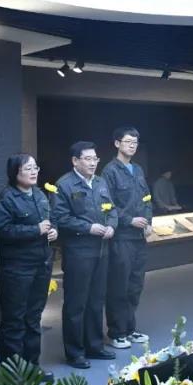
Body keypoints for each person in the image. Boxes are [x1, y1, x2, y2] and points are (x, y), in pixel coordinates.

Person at [52, 141, 119, 368]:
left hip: (102, 251)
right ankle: (75, 352)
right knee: (76, 304)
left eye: (95, 159)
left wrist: (112, 226)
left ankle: (95, 346)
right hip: (79, 252)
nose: (93, 163)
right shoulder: (64, 185)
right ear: (75, 161)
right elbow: (61, 218)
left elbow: (112, 209)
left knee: (96, 301)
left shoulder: (100, 182)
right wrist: (88, 227)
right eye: (88, 159)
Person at [0, 154, 57, 381]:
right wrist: (35, 230)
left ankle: (32, 367)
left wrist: (53, 231)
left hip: (41, 265)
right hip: (16, 269)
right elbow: (2, 231)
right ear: (15, 172)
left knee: (33, 319)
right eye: (28, 168)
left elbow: (49, 221)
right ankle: (13, 374)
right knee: (14, 321)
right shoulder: (6, 199)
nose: (34, 171)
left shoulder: (39, 194)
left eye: (35, 167)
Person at [101, 127, 153, 349]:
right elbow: (107, 205)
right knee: (119, 286)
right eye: (128, 141)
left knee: (135, 285)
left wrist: (148, 221)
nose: (132, 145)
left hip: (139, 238)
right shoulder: (109, 171)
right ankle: (116, 332)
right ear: (117, 143)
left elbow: (147, 198)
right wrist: (129, 220)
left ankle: (130, 328)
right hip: (121, 237)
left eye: (135, 142)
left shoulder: (138, 169)